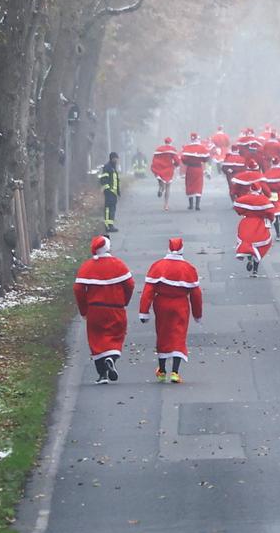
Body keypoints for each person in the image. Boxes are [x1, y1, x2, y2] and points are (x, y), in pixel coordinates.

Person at [138, 236, 203, 382]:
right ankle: (175, 372)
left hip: (161, 304)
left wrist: (144, 311)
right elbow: (196, 294)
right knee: (178, 335)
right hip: (180, 305)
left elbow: (148, 291)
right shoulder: (188, 268)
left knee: (163, 334)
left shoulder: (158, 266)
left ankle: (161, 370)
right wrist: (197, 314)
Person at [73, 235, 134, 382]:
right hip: (115, 308)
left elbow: (78, 288)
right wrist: (125, 301)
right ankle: (111, 358)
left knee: (96, 339)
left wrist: (84, 309)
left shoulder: (87, 266)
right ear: (108, 247)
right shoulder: (118, 264)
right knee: (116, 336)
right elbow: (130, 284)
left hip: (95, 309)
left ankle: (102, 375)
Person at [233, 180, 275, 276]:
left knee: (247, 242)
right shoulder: (264, 200)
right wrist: (270, 219)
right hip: (259, 224)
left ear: (250, 189)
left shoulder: (245, 199)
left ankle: (249, 258)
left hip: (246, 223)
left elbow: (237, 208)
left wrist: (243, 213)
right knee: (259, 245)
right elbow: (271, 213)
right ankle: (255, 270)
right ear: (260, 190)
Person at [179, 133, 211, 211]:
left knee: (189, 185)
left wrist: (187, 162)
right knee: (199, 185)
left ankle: (190, 205)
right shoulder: (202, 148)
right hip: (198, 169)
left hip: (190, 169)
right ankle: (197, 205)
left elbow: (183, 159)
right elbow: (206, 158)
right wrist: (201, 160)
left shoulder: (187, 148)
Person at [97, 152, 122, 233]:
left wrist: (117, 191)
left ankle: (111, 225)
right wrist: (108, 190)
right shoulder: (107, 167)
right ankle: (108, 226)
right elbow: (103, 180)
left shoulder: (113, 168)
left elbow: (116, 180)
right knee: (108, 209)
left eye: (117, 158)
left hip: (113, 193)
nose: (117, 160)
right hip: (109, 192)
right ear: (112, 158)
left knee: (112, 209)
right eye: (115, 158)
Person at [150, 136, 179, 205]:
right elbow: (177, 161)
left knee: (161, 182)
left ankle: (161, 188)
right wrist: (175, 165)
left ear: (165, 142)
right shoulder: (172, 149)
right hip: (168, 169)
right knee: (168, 187)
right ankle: (166, 204)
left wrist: (155, 166)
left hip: (159, 169)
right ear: (171, 142)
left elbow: (154, 159)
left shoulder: (159, 149)